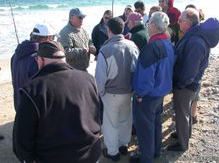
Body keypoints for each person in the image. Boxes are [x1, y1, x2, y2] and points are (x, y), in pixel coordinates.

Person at [13, 41, 101, 163]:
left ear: (41, 60)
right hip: (91, 153)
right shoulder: (89, 79)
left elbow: (22, 137)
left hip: (53, 158)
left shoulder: (32, 90)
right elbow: (98, 114)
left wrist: (27, 159)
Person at [168, 8, 219, 152]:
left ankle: (182, 144)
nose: (178, 22)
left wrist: (180, 83)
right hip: (190, 83)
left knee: (182, 112)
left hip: (187, 85)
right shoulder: (194, 36)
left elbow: (190, 69)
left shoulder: (196, 42)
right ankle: (184, 133)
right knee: (184, 112)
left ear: (188, 23)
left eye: (180, 20)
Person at [131, 12, 175, 163]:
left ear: (154, 26)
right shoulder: (167, 43)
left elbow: (145, 76)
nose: (147, 25)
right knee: (155, 124)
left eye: (149, 23)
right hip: (160, 91)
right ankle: (156, 151)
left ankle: (146, 158)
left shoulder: (152, 47)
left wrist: (140, 94)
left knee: (145, 128)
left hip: (149, 95)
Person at [95, 17, 139, 162]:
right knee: (125, 119)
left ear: (109, 31)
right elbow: (136, 69)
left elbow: (100, 77)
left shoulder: (105, 50)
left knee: (110, 123)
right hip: (128, 91)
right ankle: (123, 145)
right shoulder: (132, 45)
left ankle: (113, 152)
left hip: (111, 93)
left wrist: (100, 93)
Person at [11, 22, 56, 111]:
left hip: (19, 104)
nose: (54, 42)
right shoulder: (38, 59)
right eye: (53, 38)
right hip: (33, 109)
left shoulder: (15, 55)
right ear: (47, 38)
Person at [185, 4, 206, 124]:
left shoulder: (197, 39)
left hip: (193, 78)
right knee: (194, 97)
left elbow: (193, 63)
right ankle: (193, 116)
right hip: (196, 77)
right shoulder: (203, 35)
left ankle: (192, 117)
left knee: (193, 98)